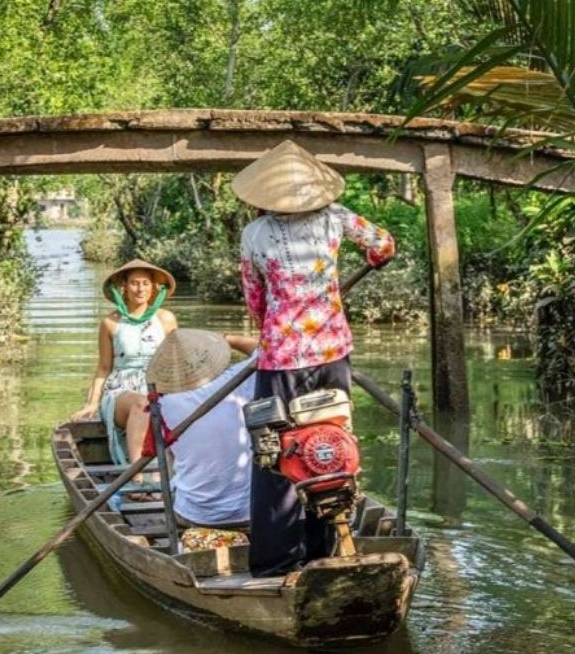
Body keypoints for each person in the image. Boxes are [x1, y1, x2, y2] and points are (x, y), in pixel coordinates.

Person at [233, 139, 395, 576]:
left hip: (280, 360)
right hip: (330, 355)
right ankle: (323, 552)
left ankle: (274, 564)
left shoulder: (255, 235)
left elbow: (255, 301)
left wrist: (277, 324)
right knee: (328, 449)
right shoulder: (337, 218)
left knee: (276, 456)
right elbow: (384, 246)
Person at [142, 329, 259, 528]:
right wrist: (228, 338)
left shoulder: (162, 403)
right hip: (252, 510)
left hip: (195, 515)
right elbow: (264, 350)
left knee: (173, 462)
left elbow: (167, 457)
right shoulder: (237, 379)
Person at [71, 259, 178, 466]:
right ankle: (137, 476)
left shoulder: (166, 319)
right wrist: (92, 403)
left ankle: (172, 475)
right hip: (121, 390)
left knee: (165, 405)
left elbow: (175, 363)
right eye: (134, 283)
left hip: (159, 386)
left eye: (145, 283)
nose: (140, 289)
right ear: (124, 287)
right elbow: (103, 368)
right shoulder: (111, 323)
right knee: (142, 404)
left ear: (153, 287)